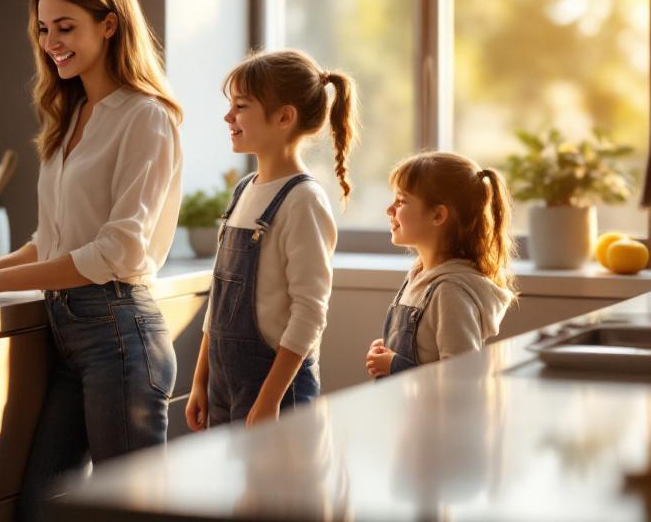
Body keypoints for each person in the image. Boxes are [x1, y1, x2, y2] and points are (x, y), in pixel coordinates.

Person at [0, 0, 183, 521]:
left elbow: (115, 252)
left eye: (66, 27)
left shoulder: (146, 118)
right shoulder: (73, 114)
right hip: (72, 336)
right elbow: (54, 241)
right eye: (43, 28)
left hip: (119, 334)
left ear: (109, 24)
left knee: (127, 512)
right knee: (42, 508)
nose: (51, 42)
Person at [185, 50, 358, 430]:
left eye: (241, 106)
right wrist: (200, 381)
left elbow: (309, 312)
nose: (228, 117)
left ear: (284, 117)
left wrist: (269, 401)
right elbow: (219, 299)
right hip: (223, 384)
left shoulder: (303, 201)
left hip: (276, 393)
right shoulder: (243, 190)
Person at [365, 152, 517, 378]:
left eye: (401, 201)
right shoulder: (418, 275)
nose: (390, 210)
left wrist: (395, 365)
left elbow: (462, 376)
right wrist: (390, 348)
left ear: (437, 215)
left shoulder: (450, 292)